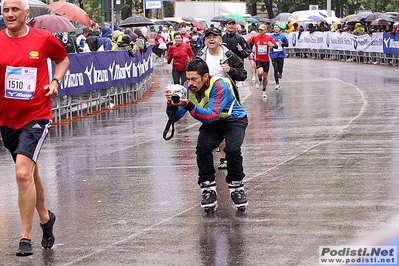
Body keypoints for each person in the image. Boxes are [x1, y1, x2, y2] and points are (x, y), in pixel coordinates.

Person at [0, 0, 70, 256]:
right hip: (7, 119)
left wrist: (54, 81)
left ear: (26, 13)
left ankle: (25, 237)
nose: (9, 14)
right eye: (6, 10)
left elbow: (62, 60)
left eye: (14, 9)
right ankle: (45, 218)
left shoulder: (42, 39)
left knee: (21, 173)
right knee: (30, 171)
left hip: (36, 115)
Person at [165, 58, 248, 212]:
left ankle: (237, 186)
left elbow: (211, 115)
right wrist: (171, 105)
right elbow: (175, 118)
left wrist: (189, 105)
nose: (190, 83)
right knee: (202, 148)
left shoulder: (218, 85)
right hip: (212, 123)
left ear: (205, 77)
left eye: (194, 79)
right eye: (188, 78)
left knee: (232, 150)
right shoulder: (186, 88)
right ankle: (207, 187)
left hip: (234, 120)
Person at [195, 27, 247, 170]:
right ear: (205, 41)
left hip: (227, 97)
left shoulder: (229, 55)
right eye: (208, 37)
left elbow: (243, 74)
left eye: (214, 36)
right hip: (207, 96)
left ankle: (223, 157)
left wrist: (230, 70)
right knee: (210, 126)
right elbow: (192, 73)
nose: (211, 39)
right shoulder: (200, 56)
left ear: (220, 40)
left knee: (225, 124)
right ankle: (209, 156)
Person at [247, 24, 277, 98]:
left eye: (262, 30)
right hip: (258, 59)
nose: (260, 31)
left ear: (265, 31)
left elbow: (276, 46)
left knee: (265, 76)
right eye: (259, 29)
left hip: (266, 59)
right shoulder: (255, 37)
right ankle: (259, 78)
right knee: (260, 72)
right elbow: (249, 43)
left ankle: (264, 90)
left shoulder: (269, 38)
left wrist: (272, 45)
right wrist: (251, 52)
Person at [269, 24, 288, 90]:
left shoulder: (283, 36)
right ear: (273, 29)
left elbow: (287, 44)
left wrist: (282, 43)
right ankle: (277, 83)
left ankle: (280, 72)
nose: (276, 29)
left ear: (279, 29)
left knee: (280, 68)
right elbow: (268, 44)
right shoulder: (270, 37)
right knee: (275, 69)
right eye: (275, 28)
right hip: (273, 55)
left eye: (277, 28)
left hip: (281, 55)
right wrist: (270, 46)